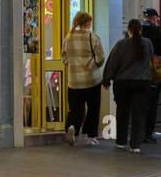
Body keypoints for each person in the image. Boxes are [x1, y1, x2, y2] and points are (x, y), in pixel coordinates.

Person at [102, 19, 154, 153]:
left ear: (128, 30)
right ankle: (135, 145)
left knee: (122, 113)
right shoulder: (147, 43)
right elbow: (151, 60)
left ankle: (121, 142)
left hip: (123, 83)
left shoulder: (121, 44)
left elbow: (112, 63)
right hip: (142, 83)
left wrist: (107, 79)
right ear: (140, 30)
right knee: (139, 114)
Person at [62, 12, 104, 146]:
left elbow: (64, 58)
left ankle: (72, 127)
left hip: (73, 82)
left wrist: (73, 66)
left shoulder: (68, 38)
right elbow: (101, 57)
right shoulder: (92, 37)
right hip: (91, 80)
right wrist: (94, 64)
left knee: (75, 109)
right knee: (93, 108)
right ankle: (90, 136)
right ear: (87, 23)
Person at [139, 8, 161, 143]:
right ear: (154, 18)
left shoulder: (137, 31)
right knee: (152, 104)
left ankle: (138, 132)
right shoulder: (158, 32)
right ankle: (148, 133)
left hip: (137, 73)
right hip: (154, 72)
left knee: (140, 103)